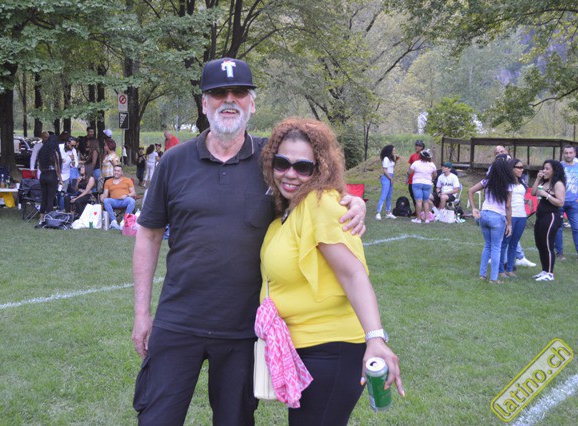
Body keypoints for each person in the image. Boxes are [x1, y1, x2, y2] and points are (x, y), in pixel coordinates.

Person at [131, 57, 365, 426]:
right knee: (156, 418)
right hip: (178, 320)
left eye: (239, 92)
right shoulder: (174, 162)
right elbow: (149, 234)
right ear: (204, 103)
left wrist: (352, 199)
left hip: (243, 328)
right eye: (218, 93)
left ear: (251, 103)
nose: (229, 99)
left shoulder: (273, 161)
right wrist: (142, 314)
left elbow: (316, 182)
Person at [259, 117, 404, 424]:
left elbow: (353, 274)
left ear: (320, 169)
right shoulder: (286, 212)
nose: (290, 174)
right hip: (304, 351)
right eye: (282, 163)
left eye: (303, 167)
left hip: (331, 352)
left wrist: (375, 338)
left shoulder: (319, 204)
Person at [468, 159, 514, 283]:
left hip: (484, 215)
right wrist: (509, 224)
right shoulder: (508, 184)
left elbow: (470, 191)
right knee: (496, 247)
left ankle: (482, 275)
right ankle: (494, 278)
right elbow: (508, 206)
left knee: (487, 245)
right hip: (497, 217)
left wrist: (474, 208)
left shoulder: (487, 181)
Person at [531, 160, 566, 281]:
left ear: (554, 171)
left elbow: (560, 203)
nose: (544, 171)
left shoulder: (558, 184)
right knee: (540, 243)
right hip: (541, 216)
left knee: (547, 244)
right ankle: (544, 270)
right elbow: (534, 193)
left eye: (547, 169)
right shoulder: (544, 182)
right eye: (543, 168)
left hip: (551, 216)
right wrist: (537, 179)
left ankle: (550, 273)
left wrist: (547, 195)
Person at [498, 159, 530, 278]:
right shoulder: (506, 183)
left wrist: (527, 201)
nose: (521, 170)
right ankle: (500, 269)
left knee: (514, 243)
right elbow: (506, 202)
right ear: (511, 168)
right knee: (505, 243)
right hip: (511, 215)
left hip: (522, 216)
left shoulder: (521, 183)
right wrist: (508, 220)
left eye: (522, 167)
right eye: (519, 167)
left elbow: (517, 198)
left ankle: (510, 269)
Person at [554, 145, 578, 260]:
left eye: (570, 153)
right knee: (558, 228)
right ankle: (559, 253)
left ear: (575, 154)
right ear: (563, 154)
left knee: (577, 228)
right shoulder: (558, 167)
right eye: (566, 153)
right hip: (560, 202)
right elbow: (552, 181)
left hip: (574, 203)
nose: (568, 155)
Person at [35, 133, 62, 228]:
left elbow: (39, 165)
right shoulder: (54, 152)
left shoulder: (41, 151)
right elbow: (57, 167)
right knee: (50, 199)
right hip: (52, 175)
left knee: (44, 198)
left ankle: (41, 219)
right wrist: (60, 178)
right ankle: (49, 219)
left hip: (43, 175)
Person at [101, 164, 136, 230]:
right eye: (115, 170)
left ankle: (124, 221)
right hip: (114, 201)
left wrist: (126, 195)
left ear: (121, 172)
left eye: (118, 171)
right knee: (106, 201)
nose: (116, 172)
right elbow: (105, 194)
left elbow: (133, 193)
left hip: (125, 200)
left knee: (132, 201)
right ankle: (113, 221)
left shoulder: (128, 180)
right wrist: (102, 196)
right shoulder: (108, 181)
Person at [408, 149, 437, 223]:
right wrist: (431, 179)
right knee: (426, 201)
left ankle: (418, 219)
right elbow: (435, 175)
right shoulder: (432, 164)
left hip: (417, 183)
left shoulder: (416, 163)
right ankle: (427, 219)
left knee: (418, 201)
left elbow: (410, 172)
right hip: (427, 183)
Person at [374, 145, 398, 221]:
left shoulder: (391, 159)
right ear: (389, 150)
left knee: (389, 196)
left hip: (390, 176)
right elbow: (385, 170)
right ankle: (378, 213)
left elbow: (392, 168)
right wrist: (390, 178)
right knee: (383, 195)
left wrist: (396, 160)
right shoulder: (386, 159)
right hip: (386, 178)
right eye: (393, 150)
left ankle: (388, 212)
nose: (394, 151)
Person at [407, 139, 424, 215]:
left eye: (419, 146)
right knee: (412, 195)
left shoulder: (424, 156)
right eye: (416, 145)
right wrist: (407, 177)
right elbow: (410, 167)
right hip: (411, 179)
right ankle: (417, 211)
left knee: (419, 196)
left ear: (422, 147)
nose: (417, 147)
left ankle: (422, 211)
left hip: (420, 179)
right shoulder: (413, 156)